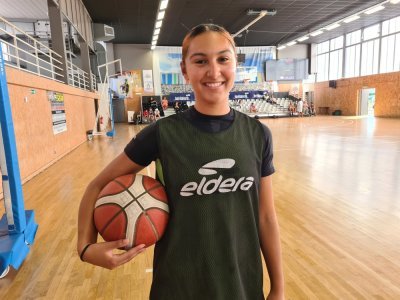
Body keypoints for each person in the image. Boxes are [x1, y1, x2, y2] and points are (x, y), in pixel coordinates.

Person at [77, 23, 284, 300]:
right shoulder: (162, 134)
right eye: (200, 61)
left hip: (242, 285)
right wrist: (85, 247)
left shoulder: (258, 135)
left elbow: (266, 218)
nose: (213, 71)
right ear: (185, 71)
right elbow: (96, 186)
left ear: (235, 65)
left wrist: (278, 288)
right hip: (178, 286)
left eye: (223, 59)